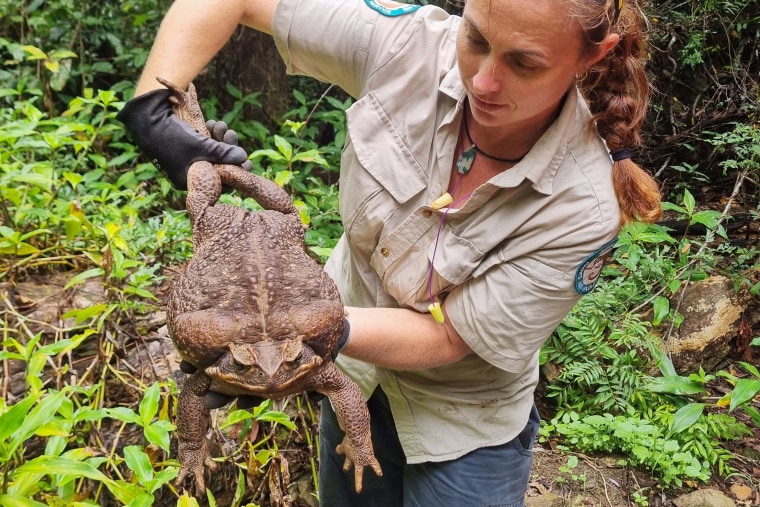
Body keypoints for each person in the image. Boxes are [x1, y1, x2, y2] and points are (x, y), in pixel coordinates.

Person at [117, 0, 662, 504]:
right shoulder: (409, 46)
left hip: (462, 424)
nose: (485, 79)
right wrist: (152, 112)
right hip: (351, 379)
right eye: (475, 38)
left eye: (525, 63)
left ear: (593, 56)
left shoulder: (585, 204)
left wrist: (293, 336)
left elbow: (451, 336)